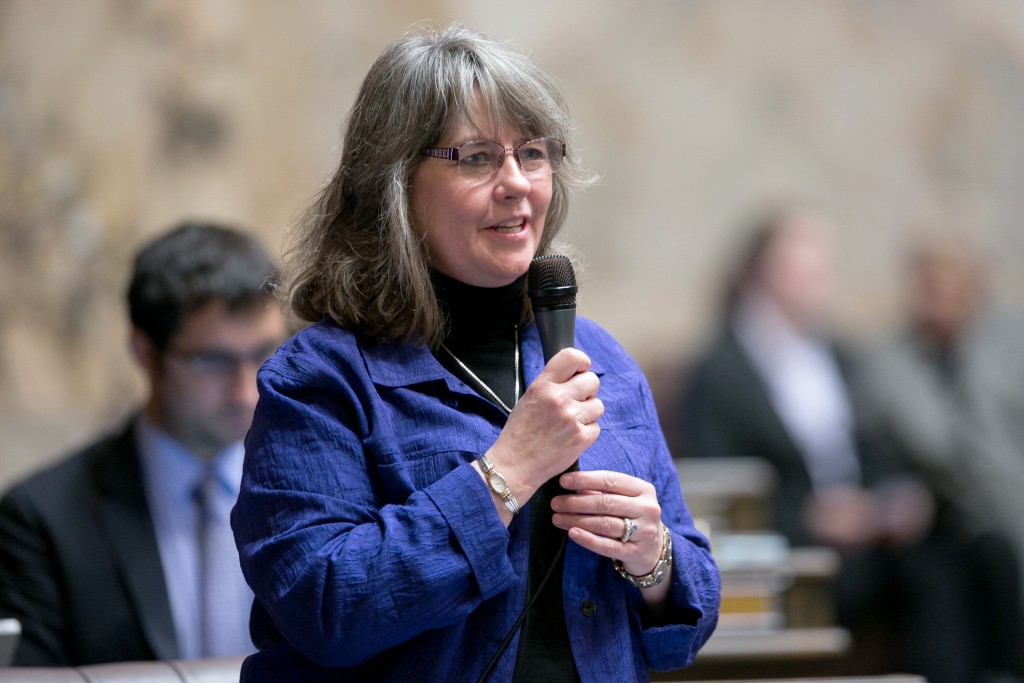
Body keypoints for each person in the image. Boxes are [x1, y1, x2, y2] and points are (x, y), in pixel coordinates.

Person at [230, 23, 719, 682]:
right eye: (478, 156)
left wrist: (652, 557)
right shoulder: (321, 378)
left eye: (534, 154)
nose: (517, 183)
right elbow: (325, 606)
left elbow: (686, 612)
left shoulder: (601, 360)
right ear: (395, 184)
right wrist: (503, 473)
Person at [677, 206, 1021, 683]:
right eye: (806, 266)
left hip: (867, 538)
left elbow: (872, 448)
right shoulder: (720, 370)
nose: (823, 278)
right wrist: (811, 516)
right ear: (762, 273)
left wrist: (891, 499)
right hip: (793, 550)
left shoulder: (838, 354)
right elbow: (719, 484)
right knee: (933, 583)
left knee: (972, 551)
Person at [0, 221, 287, 666]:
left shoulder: (327, 486)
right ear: (144, 352)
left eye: (265, 353)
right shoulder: (41, 518)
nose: (247, 390)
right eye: (212, 360)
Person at [857, 231, 1024, 680]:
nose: (934, 294)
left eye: (948, 280)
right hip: (936, 525)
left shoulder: (1010, 347)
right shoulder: (888, 361)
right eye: (926, 281)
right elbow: (880, 456)